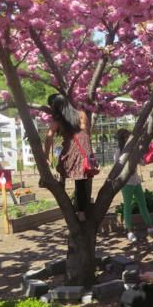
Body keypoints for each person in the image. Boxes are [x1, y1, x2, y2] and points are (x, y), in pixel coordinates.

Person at [43, 94, 92, 222]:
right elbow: (87, 133)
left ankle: (64, 199)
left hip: (70, 152)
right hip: (84, 153)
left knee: (61, 172)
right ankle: (81, 213)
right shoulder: (81, 114)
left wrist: (46, 155)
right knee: (80, 183)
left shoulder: (58, 120)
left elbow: (49, 137)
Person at [115, 129, 153, 243]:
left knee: (143, 204)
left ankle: (150, 226)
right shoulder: (119, 151)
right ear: (123, 139)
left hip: (136, 181)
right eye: (128, 136)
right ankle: (129, 231)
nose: (131, 138)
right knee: (127, 206)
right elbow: (117, 167)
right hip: (126, 183)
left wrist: (148, 152)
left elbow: (143, 162)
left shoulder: (134, 149)